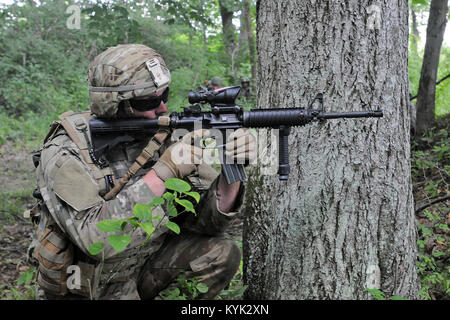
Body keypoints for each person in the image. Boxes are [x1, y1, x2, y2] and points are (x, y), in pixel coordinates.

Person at [28, 44, 256, 300]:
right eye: (147, 101)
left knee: (222, 252)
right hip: (89, 287)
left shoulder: (162, 135)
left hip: (142, 266)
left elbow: (209, 223)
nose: (160, 109)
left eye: (164, 95)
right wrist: (161, 175)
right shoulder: (65, 151)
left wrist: (231, 168)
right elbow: (97, 242)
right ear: (114, 104)